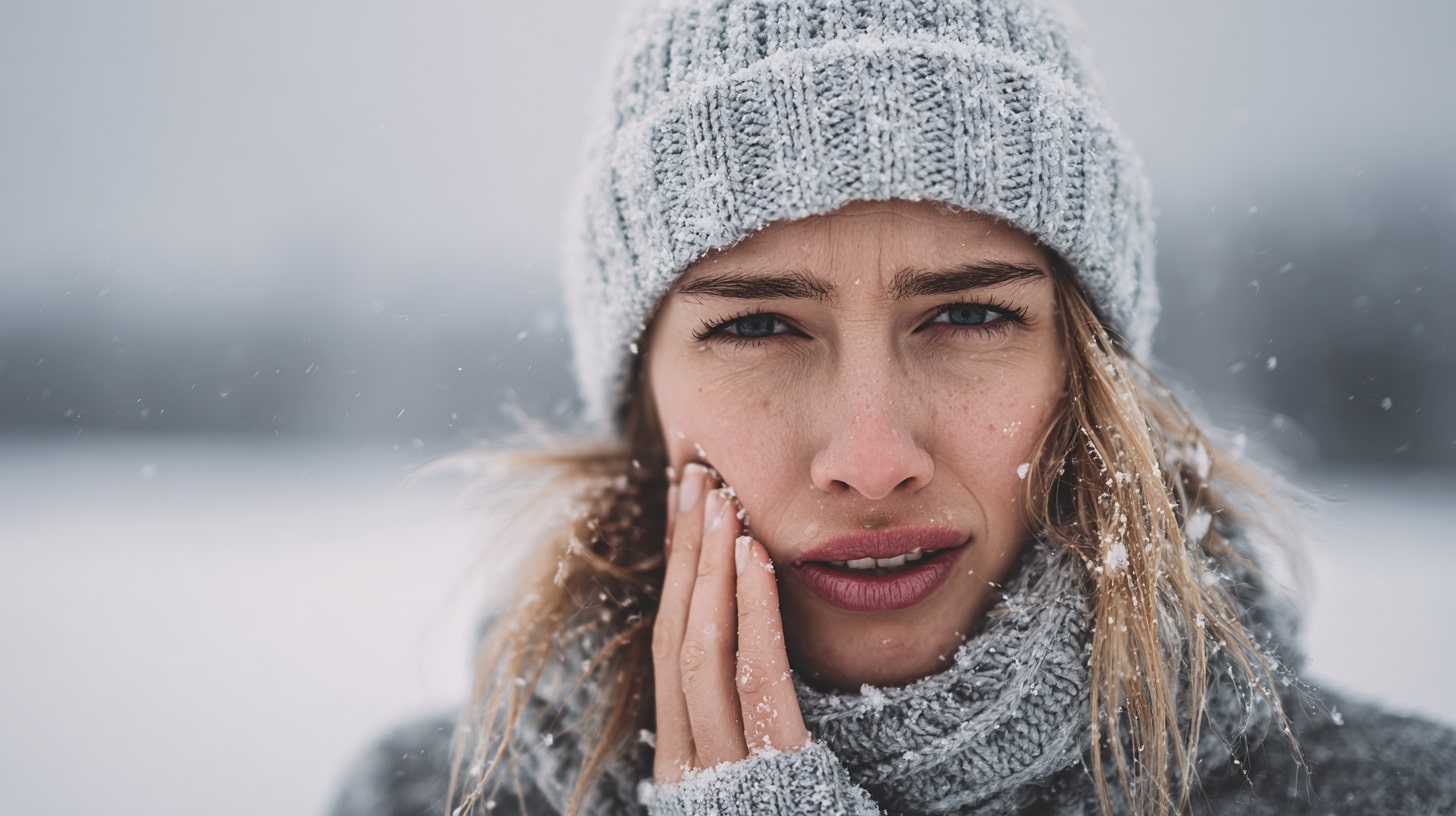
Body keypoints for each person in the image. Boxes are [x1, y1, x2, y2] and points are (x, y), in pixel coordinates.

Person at [328, 0, 1456, 814]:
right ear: (643, 398)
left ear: (1087, 366)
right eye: (757, 327)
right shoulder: (423, 798)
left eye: (966, 315)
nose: (872, 459)